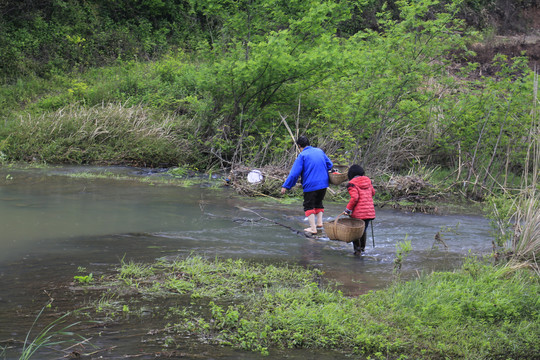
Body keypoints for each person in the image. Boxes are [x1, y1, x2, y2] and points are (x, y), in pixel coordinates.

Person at [281, 136, 333, 234]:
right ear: (309, 143)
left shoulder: (302, 155)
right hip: (323, 183)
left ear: (299, 146)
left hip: (311, 185)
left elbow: (294, 174)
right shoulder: (319, 151)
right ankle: (319, 223)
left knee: (308, 205)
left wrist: (286, 186)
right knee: (318, 202)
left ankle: (313, 228)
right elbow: (329, 164)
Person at [343, 164, 375, 255]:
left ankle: (357, 251)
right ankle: (362, 249)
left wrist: (347, 210)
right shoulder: (368, 181)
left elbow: (355, 198)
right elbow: (373, 193)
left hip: (358, 213)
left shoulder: (352, 184)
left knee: (355, 231)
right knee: (363, 230)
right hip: (369, 212)